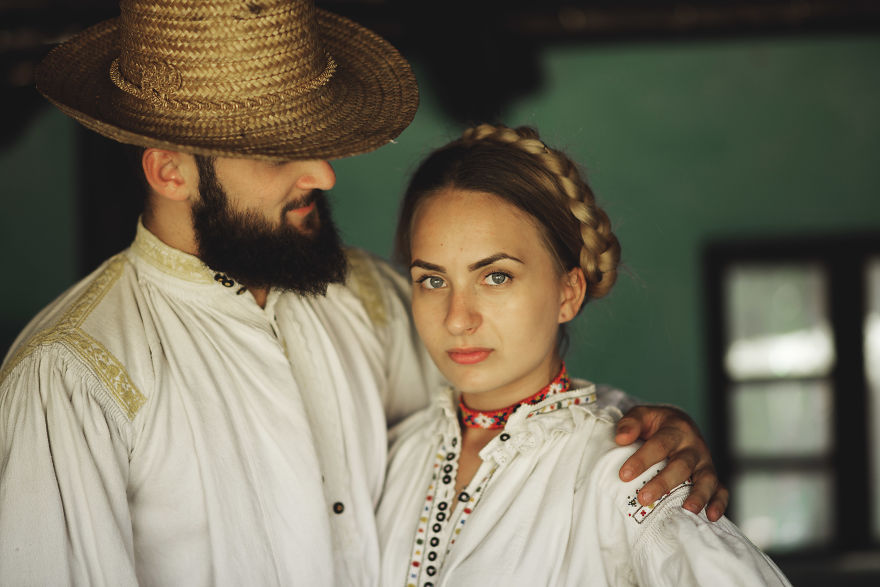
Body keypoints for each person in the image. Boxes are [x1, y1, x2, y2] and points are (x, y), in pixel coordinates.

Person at [1, 1, 724, 585]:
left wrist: (641, 429)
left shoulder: (369, 299)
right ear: (170, 171)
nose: (323, 172)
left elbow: (503, 401)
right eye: (282, 150)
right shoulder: (70, 377)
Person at [377, 123, 790, 586]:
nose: (457, 319)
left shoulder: (629, 478)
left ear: (567, 292)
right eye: (432, 280)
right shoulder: (392, 458)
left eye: (496, 277)